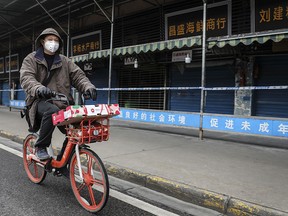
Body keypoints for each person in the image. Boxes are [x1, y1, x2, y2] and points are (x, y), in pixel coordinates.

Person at [20, 28, 97, 161]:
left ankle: (63, 164)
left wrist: (88, 87)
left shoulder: (65, 61)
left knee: (76, 133)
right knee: (52, 111)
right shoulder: (31, 59)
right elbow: (26, 77)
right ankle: (41, 147)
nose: (53, 43)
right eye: (50, 40)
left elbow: (78, 76)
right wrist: (39, 88)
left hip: (63, 103)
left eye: (56, 40)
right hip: (39, 102)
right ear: (43, 41)